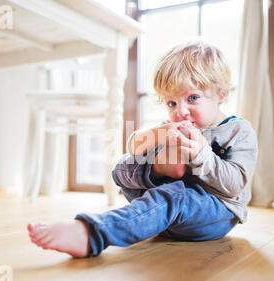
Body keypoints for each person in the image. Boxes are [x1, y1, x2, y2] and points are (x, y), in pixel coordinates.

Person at [27, 41, 258, 258]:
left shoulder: (238, 131)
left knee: (172, 195)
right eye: (172, 103)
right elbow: (135, 144)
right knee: (123, 165)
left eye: (193, 98)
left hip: (215, 212)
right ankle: (163, 172)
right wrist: (159, 138)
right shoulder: (172, 126)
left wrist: (201, 155)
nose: (181, 111)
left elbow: (236, 184)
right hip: (168, 211)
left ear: (221, 94)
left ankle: (91, 234)